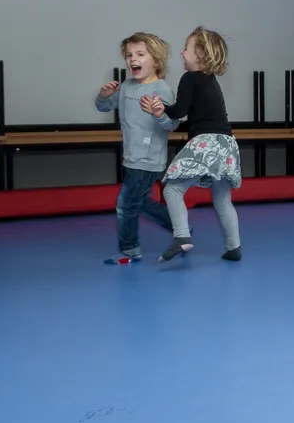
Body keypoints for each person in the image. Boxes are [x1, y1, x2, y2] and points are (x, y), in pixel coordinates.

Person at [141, 27, 240, 263]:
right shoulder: (210, 82)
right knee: (222, 200)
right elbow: (200, 118)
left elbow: (180, 111)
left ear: (200, 55)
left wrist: (160, 108)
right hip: (226, 144)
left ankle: (182, 236)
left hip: (207, 143)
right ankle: (234, 247)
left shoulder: (190, 78)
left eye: (186, 48)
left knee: (172, 189)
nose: (182, 53)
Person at [95, 32, 179, 265]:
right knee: (140, 201)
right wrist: (103, 96)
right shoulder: (126, 87)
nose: (134, 59)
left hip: (149, 158)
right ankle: (181, 229)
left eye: (141, 54)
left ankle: (130, 248)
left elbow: (172, 124)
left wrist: (158, 113)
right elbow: (103, 107)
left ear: (156, 61)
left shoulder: (162, 90)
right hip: (131, 156)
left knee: (125, 205)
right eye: (130, 55)